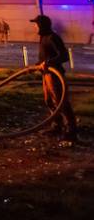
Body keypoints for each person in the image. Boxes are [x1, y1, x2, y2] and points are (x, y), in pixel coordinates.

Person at [30, 15, 78, 144]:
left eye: (36, 24)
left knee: (61, 102)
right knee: (49, 101)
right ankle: (57, 126)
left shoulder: (52, 37)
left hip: (55, 75)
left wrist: (48, 63)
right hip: (46, 74)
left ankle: (71, 131)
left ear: (42, 25)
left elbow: (63, 56)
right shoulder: (43, 37)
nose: (34, 26)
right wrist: (37, 65)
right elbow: (45, 56)